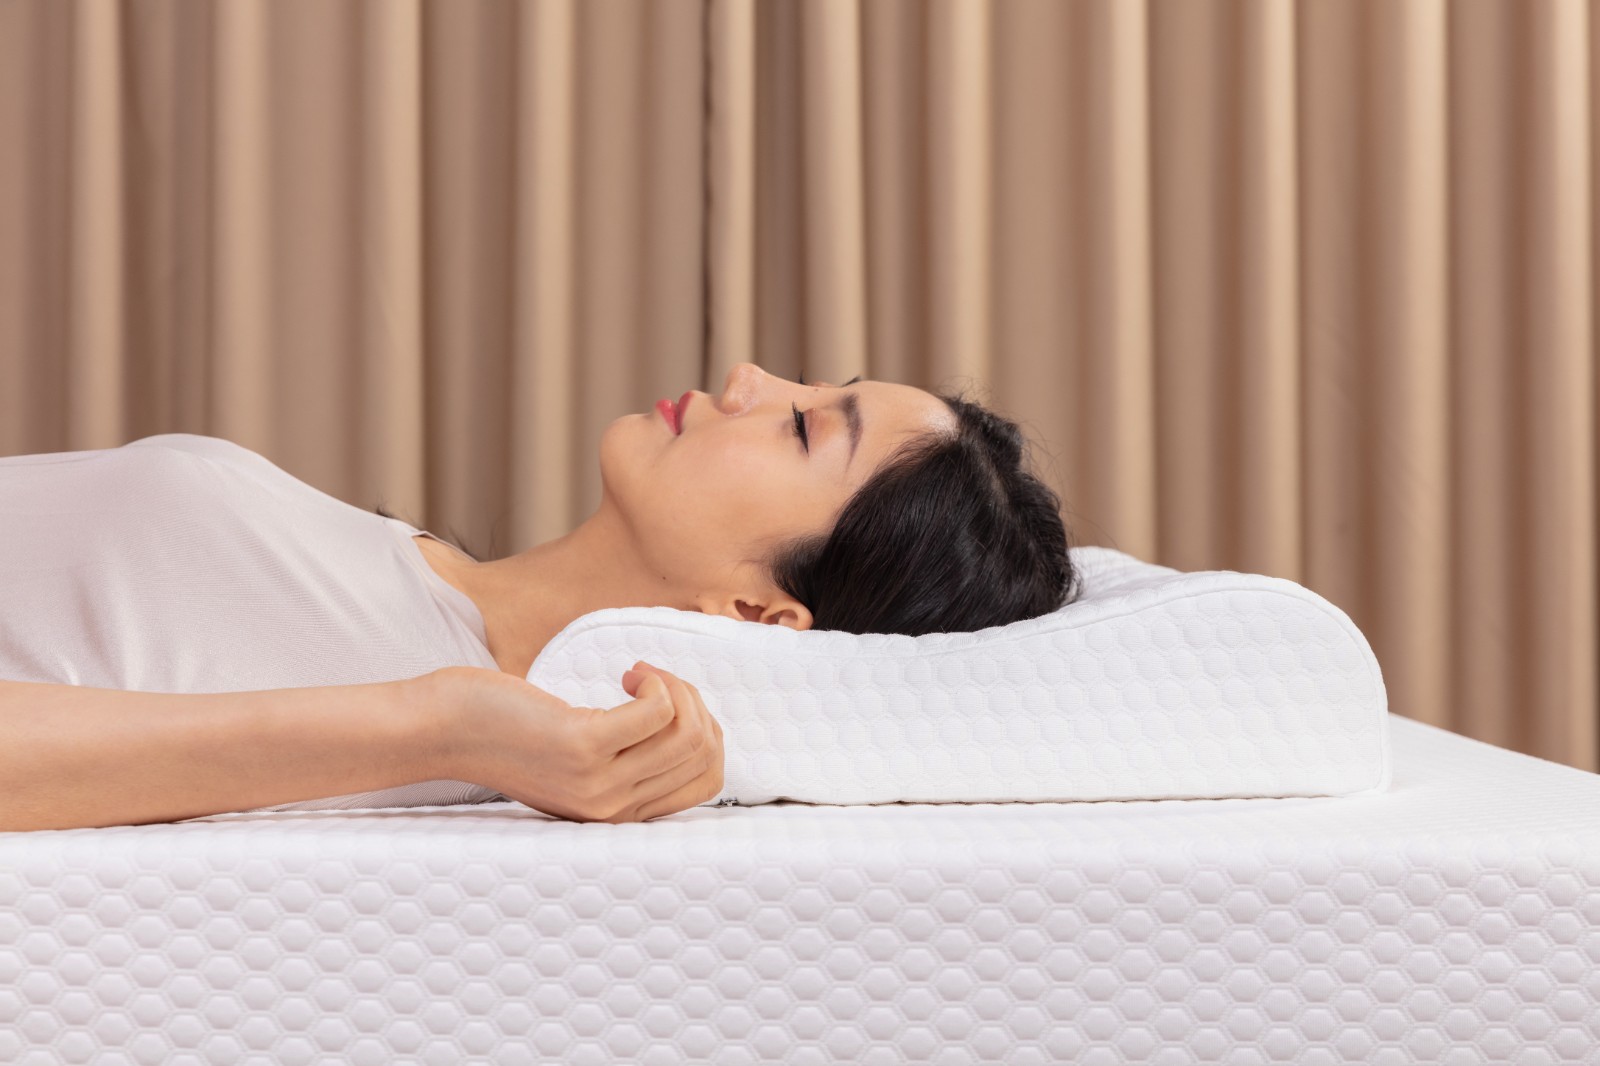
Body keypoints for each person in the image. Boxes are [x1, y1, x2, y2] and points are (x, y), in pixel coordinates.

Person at [0, 363, 1078, 831]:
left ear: (760, 611)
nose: (748, 379)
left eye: (802, 427)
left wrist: (439, 725)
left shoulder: (440, 722)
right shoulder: (416, 577)